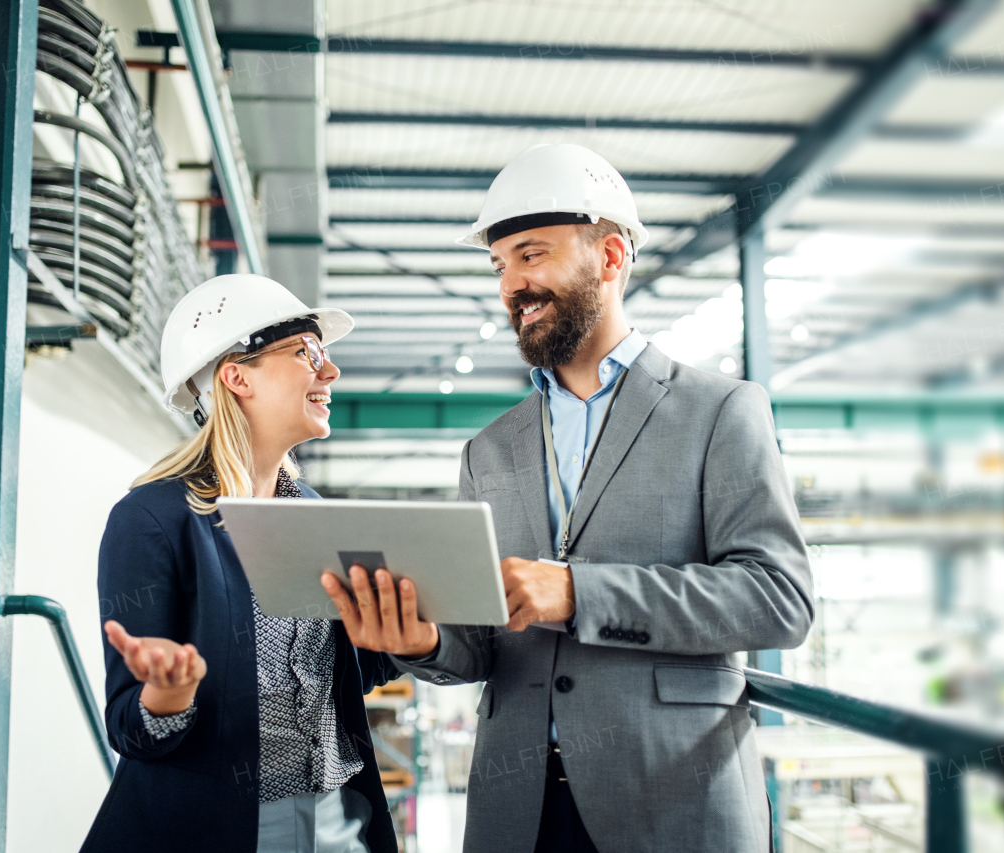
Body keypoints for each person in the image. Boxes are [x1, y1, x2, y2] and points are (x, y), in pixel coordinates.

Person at [322, 144, 814, 853]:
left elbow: (778, 599)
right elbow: (477, 644)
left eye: (531, 255)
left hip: (672, 797)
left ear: (610, 257)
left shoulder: (721, 412)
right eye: (500, 266)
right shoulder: (489, 449)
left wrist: (580, 593)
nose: (511, 285)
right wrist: (422, 641)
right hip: (516, 810)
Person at [81, 274, 401, 853]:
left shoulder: (311, 512)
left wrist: (411, 630)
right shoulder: (152, 519)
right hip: (221, 828)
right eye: (307, 353)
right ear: (236, 376)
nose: (329, 373)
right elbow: (132, 726)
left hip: (337, 821)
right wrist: (168, 696)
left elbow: (346, 674)